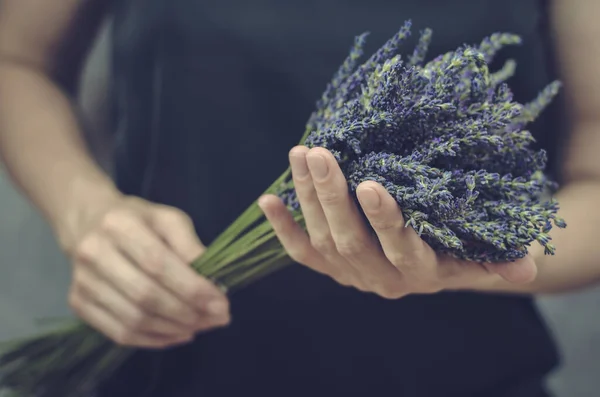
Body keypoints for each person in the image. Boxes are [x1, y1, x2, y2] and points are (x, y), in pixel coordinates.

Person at [1, 0, 599, 396]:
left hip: (462, 375)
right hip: (172, 359)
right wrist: (86, 212)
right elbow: (15, 58)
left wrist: (484, 265)